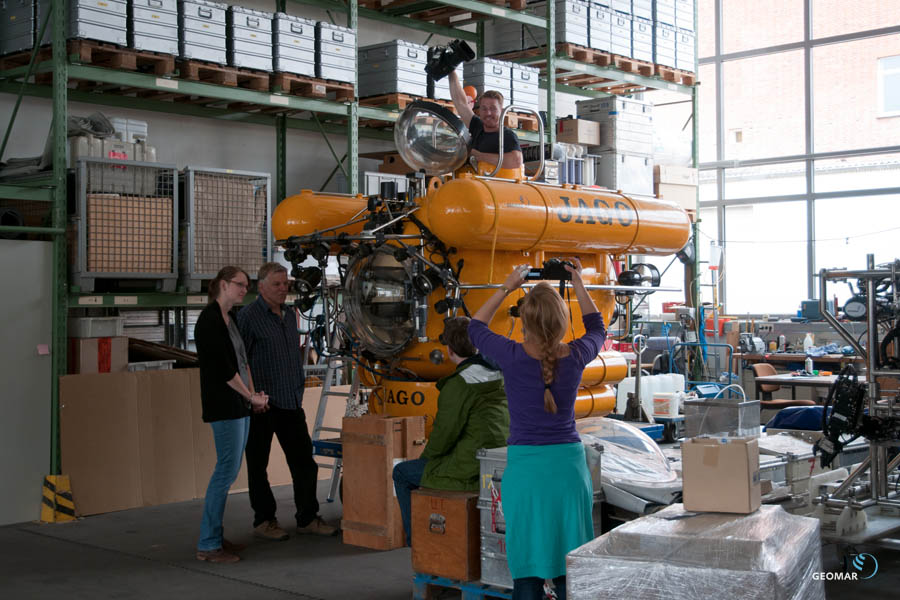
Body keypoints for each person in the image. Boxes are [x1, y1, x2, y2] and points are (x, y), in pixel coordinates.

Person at [468, 259, 605, 600]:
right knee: (568, 568)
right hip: (568, 469)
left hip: (526, 470)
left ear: (524, 321)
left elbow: (475, 327)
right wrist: (577, 282)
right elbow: (597, 328)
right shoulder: (575, 356)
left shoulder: (511, 355)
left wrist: (507, 285)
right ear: (562, 322)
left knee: (527, 569)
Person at [237, 262, 337, 540]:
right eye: (277, 284)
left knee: (304, 463)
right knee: (258, 465)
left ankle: (307, 518)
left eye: (286, 284)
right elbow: (240, 361)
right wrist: (252, 397)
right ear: (261, 286)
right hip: (262, 406)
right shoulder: (248, 317)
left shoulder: (290, 314)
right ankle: (264, 521)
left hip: (291, 401)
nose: (283, 289)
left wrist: (297, 389)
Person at [392, 316, 510, 546]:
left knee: (403, 473)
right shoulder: (500, 374)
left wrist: (427, 460)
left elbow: (443, 437)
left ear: (449, 349)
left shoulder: (458, 384)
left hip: (470, 469)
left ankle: (418, 544)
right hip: (499, 463)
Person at [195, 266, 269, 563]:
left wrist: (253, 396)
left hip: (239, 404)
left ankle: (214, 536)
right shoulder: (209, 321)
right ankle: (208, 544)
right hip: (224, 405)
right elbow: (225, 370)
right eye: (240, 285)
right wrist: (249, 395)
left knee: (228, 470)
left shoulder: (232, 319)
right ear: (223, 285)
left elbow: (242, 361)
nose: (244, 290)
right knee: (225, 472)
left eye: (246, 286)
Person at [449, 70, 523, 172]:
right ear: (479, 111)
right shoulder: (477, 127)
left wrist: (479, 156)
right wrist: (451, 72)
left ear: (501, 111)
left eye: (493, 108)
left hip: (496, 184)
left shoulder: (506, 135)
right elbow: (460, 103)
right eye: (484, 108)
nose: (488, 113)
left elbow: (516, 160)